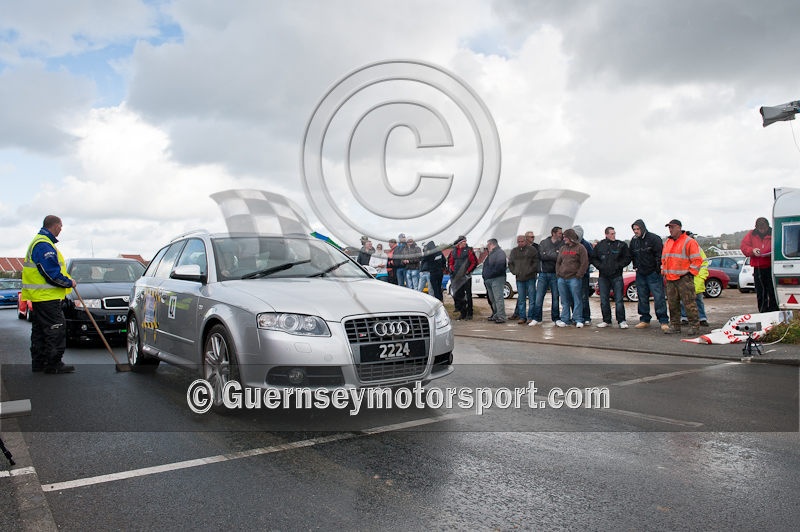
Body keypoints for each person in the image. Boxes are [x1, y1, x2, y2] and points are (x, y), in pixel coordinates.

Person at [21, 215, 77, 374]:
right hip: (47, 297)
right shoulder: (44, 245)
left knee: (40, 331)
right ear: (56, 226)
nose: (61, 230)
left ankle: (39, 363)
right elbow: (51, 273)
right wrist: (69, 282)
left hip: (40, 296)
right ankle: (53, 364)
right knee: (55, 329)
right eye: (61, 227)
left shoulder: (40, 242)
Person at [661, 219, 703, 335]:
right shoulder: (668, 242)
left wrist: (690, 274)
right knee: (672, 304)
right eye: (669, 227)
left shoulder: (689, 242)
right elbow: (664, 259)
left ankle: (694, 326)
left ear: (679, 228)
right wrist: (663, 270)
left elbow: (697, 260)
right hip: (670, 278)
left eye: (672, 227)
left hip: (684, 278)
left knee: (689, 303)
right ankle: (675, 326)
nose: (670, 229)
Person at [629, 219, 670, 331]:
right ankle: (644, 319)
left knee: (659, 297)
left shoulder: (654, 238)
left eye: (637, 229)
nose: (636, 231)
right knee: (642, 297)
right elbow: (632, 255)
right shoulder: (634, 241)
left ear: (642, 228)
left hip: (653, 273)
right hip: (640, 273)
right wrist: (635, 266)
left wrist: (657, 268)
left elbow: (659, 254)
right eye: (634, 229)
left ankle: (663, 320)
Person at [591, 226, 632, 328]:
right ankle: (606, 320)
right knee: (604, 299)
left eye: (614, 233)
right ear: (606, 234)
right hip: (603, 276)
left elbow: (627, 258)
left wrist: (619, 265)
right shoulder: (600, 245)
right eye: (612, 234)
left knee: (619, 300)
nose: (614, 235)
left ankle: (621, 320)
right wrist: (600, 266)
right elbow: (593, 258)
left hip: (616, 275)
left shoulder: (621, 245)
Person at [740, 217, 779, 312]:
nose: (762, 230)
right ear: (756, 228)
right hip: (758, 268)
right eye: (760, 229)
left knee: (773, 292)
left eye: (764, 228)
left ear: (768, 226)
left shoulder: (774, 233)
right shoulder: (751, 234)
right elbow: (744, 247)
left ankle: (774, 311)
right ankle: (763, 312)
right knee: (761, 293)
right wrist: (752, 250)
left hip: (772, 267)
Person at [529, 227, 563, 326]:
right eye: (560, 233)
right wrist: (554, 254)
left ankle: (556, 318)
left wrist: (548, 254)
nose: (561, 235)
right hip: (543, 274)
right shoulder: (544, 242)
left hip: (555, 274)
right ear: (553, 233)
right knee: (539, 297)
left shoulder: (562, 244)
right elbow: (541, 256)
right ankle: (537, 318)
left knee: (555, 298)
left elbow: (560, 257)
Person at [555, 228, 589, 327]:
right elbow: (558, 262)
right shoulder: (562, 248)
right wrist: (558, 273)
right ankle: (565, 319)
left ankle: (578, 319)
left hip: (574, 278)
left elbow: (584, 263)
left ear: (571, 237)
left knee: (577, 299)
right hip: (562, 278)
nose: (564, 239)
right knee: (564, 300)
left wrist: (579, 275)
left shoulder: (580, 248)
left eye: (565, 237)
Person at [508, 234, 539, 324]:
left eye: (522, 241)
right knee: (521, 299)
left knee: (532, 299)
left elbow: (536, 262)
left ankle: (530, 317)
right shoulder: (514, 251)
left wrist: (530, 271)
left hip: (530, 277)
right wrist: (515, 272)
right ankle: (522, 317)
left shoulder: (532, 250)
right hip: (519, 278)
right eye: (519, 242)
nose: (521, 243)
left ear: (525, 241)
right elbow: (510, 263)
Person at [680, 231, 709, 326]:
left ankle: (702, 318)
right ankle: (684, 317)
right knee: (683, 299)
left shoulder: (698, 249)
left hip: (696, 279)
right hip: (685, 278)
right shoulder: (681, 248)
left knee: (698, 300)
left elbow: (704, 263)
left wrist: (701, 277)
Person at [448, 235, 478, 320]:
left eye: (465, 241)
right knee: (458, 295)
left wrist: (468, 271)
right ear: (459, 243)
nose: (465, 243)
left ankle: (470, 313)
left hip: (466, 277)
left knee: (468, 295)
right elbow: (450, 262)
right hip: (456, 277)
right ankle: (462, 312)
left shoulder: (469, 251)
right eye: (464, 241)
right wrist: (452, 269)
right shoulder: (453, 251)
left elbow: (474, 262)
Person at [482, 238, 508, 323]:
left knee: (498, 298)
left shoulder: (500, 253)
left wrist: (490, 274)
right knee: (492, 298)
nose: (487, 247)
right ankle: (496, 314)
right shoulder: (490, 254)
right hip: (489, 279)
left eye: (488, 245)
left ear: (492, 244)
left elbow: (499, 267)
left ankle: (501, 316)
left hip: (497, 278)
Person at [573, 225, 594, 325]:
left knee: (584, 296)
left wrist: (584, 268)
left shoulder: (586, 244)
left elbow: (592, 257)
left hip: (584, 275)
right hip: (572, 275)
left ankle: (586, 317)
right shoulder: (570, 245)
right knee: (574, 296)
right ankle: (576, 316)